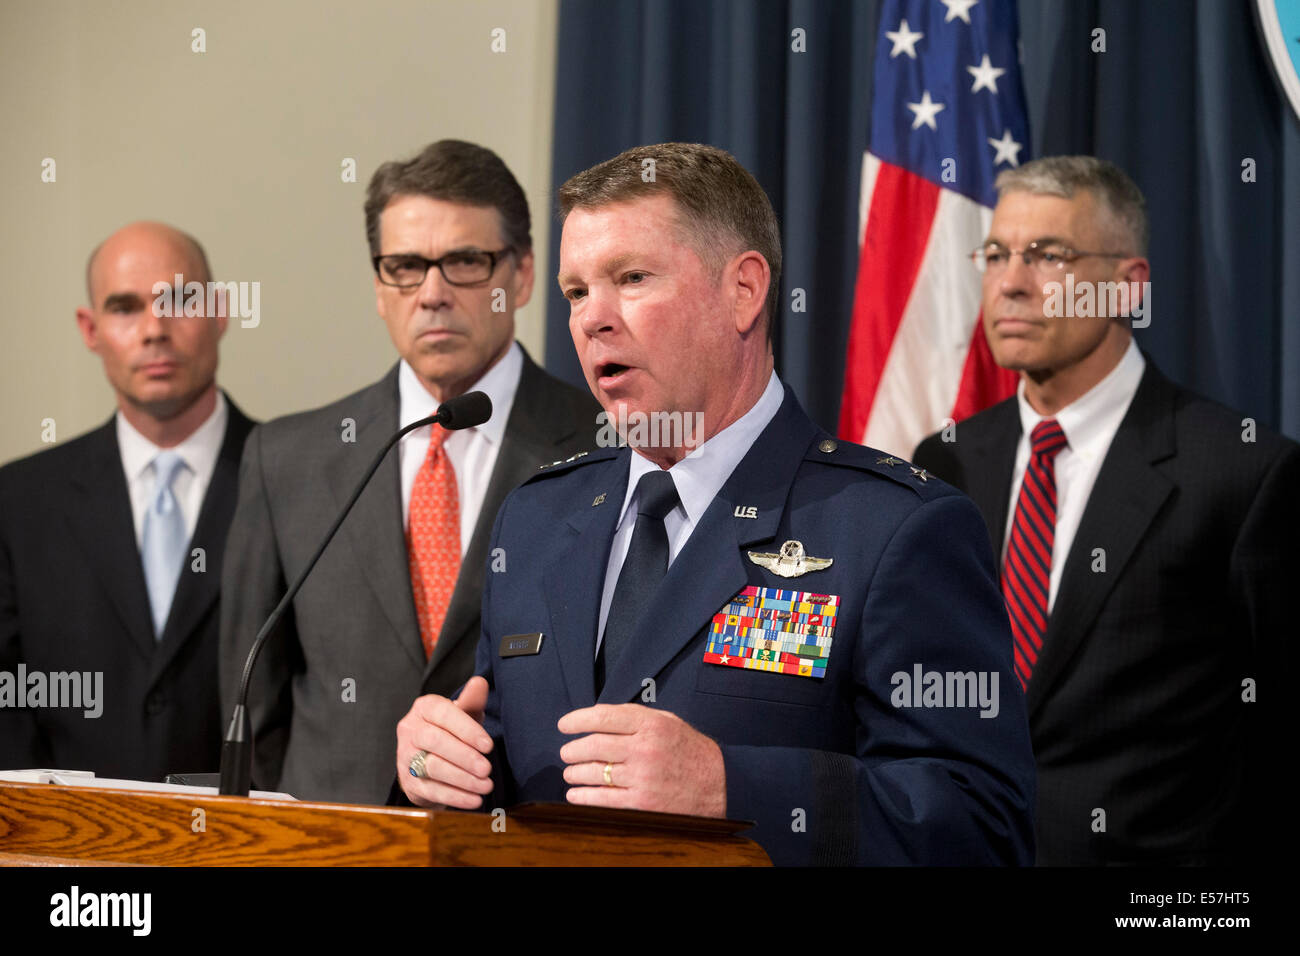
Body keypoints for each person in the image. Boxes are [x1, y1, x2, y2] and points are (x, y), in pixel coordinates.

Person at [395, 143, 1035, 866]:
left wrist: (733, 787)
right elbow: (516, 782)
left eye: (632, 278)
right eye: (576, 292)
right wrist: (439, 768)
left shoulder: (891, 528)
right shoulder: (538, 518)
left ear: (745, 290)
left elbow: (984, 826)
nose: (592, 319)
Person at [913, 155, 1297, 865]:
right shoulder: (947, 461)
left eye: (1048, 256)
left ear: (1128, 286)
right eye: (997, 254)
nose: (1012, 283)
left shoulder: (1241, 472)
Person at [220, 140, 600, 804]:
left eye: (465, 262)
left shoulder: (608, 444)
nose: (432, 294)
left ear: (524, 275)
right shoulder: (287, 458)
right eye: (404, 266)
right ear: (378, 285)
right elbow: (251, 702)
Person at [0, 221, 253, 781]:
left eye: (179, 301)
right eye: (125, 307)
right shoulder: (18, 502)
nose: (154, 329)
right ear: (90, 329)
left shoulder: (295, 483)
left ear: (220, 312)